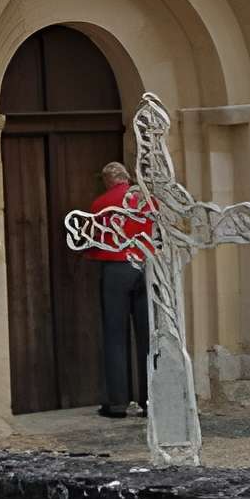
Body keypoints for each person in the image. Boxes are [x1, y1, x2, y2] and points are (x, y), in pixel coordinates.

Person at [85, 159, 151, 418]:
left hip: (115, 268)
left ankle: (117, 403)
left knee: (115, 335)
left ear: (107, 181)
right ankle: (150, 400)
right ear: (128, 178)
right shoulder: (146, 201)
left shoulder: (101, 203)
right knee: (148, 336)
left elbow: (94, 240)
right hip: (146, 267)